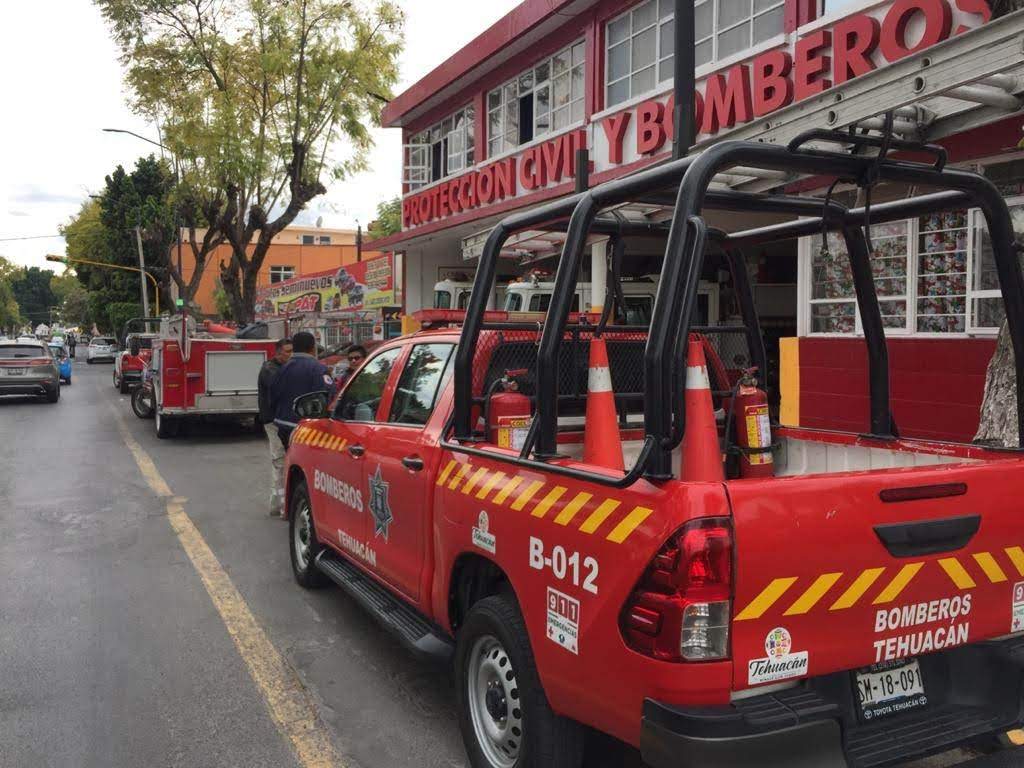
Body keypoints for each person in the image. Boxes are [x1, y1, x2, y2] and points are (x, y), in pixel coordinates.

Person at [270, 330, 332, 455]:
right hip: (306, 429)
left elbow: (273, 395)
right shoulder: (318, 369)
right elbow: (328, 396)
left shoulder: (281, 368)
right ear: (313, 348)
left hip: (283, 425)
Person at [258, 338, 293, 517]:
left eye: (292, 350)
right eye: (287, 351)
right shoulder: (269, 369)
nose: (290, 354)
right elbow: (278, 385)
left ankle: (278, 503)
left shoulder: (284, 368)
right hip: (273, 421)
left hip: (285, 421)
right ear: (278, 353)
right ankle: (279, 505)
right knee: (279, 460)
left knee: (285, 460)